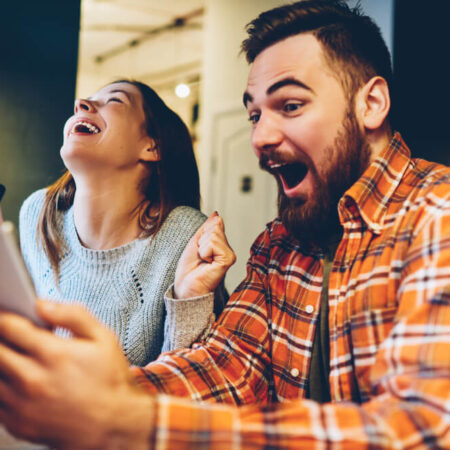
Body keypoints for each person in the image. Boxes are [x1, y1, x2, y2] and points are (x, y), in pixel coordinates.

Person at [0, 1, 449, 448]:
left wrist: (127, 420)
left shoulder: (436, 213)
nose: (260, 138)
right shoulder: (279, 247)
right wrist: (93, 396)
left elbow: (423, 428)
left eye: (290, 105)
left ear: (371, 103)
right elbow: (225, 366)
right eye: (254, 115)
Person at [18, 80, 226, 366]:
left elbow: (192, 379)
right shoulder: (38, 214)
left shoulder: (185, 236)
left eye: (114, 100)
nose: (81, 104)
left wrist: (189, 301)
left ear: (151, 146)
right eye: (87, 99)